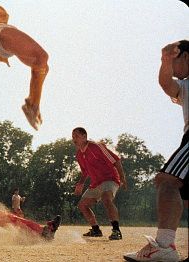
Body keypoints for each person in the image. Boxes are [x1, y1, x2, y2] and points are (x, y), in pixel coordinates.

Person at [123, 40, 188, 262]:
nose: (172, 68)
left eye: (175, 60)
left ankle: (163, 246)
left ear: (186, 57)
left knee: (167, 181)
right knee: (182, 196)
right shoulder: (185, 86)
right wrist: (166, 60)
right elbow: (166, 83)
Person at [71, 127, 127, 241]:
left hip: (109, 179)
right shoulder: (79, 155)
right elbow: (85, 171)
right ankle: (96, 230)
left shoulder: (96, 147)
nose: (74, 139)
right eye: (73, 137)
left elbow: (116, 160)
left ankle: (116, 231)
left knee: (107, 199)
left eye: (76, 136)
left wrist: (122, 178)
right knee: (82, 205)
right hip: (96, 183)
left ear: (84, 136)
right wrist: (80, 184)